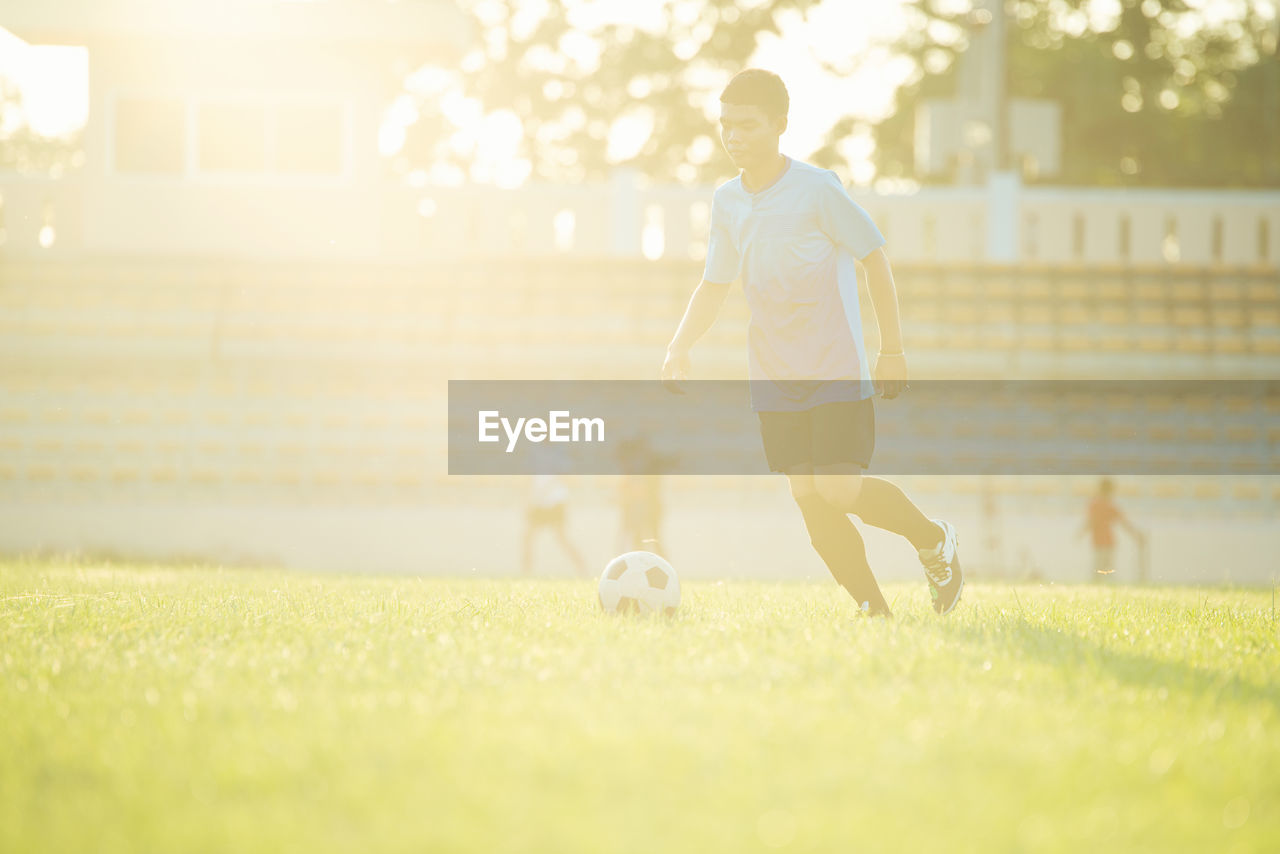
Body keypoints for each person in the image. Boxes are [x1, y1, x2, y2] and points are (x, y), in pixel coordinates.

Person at [661, 69, 962, 618]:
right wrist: (680, 343)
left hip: (835, 366)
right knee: (807, 495)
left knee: (840, 489)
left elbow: (874, 256)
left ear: (779, 126)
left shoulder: (818, 188)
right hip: (775, 375)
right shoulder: (726, 201)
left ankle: (932, 539)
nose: (734, 137)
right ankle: (874, 608)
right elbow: (714, 283)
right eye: (726, 126)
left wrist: (891, 349)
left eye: (747, 126)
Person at [521, 472, 588, 578]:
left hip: (555, 502)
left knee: (561, 539)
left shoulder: (556, 457)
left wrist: (546, 488)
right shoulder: (534, 459)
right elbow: (529, 480)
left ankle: (581, 566)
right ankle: (526, 572)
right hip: (538, 503)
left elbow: (567, 476)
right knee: (528, 538)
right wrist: (529, 500)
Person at [1080, 477, 1145, 580]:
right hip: (1108, 541)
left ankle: (1099, 587)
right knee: (1106, 569)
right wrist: (1136, 535)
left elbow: (1090, 522)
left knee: (1099, 569)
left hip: (1099, 541)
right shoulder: (1109, 505)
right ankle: (1103, 586)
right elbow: (1124, 523)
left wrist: (1080, 534)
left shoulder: (1095, 504)